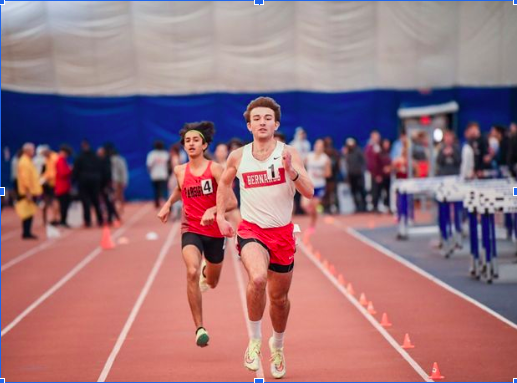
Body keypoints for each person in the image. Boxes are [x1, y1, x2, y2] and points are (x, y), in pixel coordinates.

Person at [216, 96, 314, 379]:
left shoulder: (289, 152)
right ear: (249, 125)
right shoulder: (238, 156)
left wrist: (291, 171)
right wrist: (221, 215)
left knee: (279, 298)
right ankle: (255, 340)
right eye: (256, 118)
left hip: (282, 234)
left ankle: (278, 346)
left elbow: (309, 192)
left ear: (276, 124)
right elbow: (224, 183)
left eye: (267, 118)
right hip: (252, 231)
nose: (262, 122)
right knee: (257, 279)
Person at [157, 121, 237, 348]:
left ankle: (207, 271)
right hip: (191, 228)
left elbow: (231, 201)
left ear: (204, 145)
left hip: (214, 233)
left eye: (195, 140)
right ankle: (200, 328)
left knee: (212, 282)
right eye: (187, 141)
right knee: (190, 271)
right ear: (184, 146)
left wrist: (214, 210)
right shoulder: (180, 171)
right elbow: (179, 189)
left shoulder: (215, 169)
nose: (191, 144)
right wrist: (167, 204)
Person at [73, 140, 104, 227]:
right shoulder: (95, 156)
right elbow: (100, 169)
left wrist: (73, 182)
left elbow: (76, 171)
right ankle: (100, 220)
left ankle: (88, 221)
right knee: (96, 201)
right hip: (95, 181)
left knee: (85, 202)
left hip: (84, 182)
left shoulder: (79, 157)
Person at [302, 139, 331, 233]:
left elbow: (328, 173)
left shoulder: (325, 158)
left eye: (320, 146)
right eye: (317, 145)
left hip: (319, 185)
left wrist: (319, 174)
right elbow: (301, 165)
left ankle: (312, 224)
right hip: (309, 184)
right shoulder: (309, 156)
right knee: (304, 205)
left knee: (314, 207)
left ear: (323, 147)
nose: (318, 147)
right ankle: (314, 213)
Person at [16, 143, 43, 239]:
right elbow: (25, 178)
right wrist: (27, 191)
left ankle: (27, 231)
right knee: (27, 212)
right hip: (25, 191)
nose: (34, 152)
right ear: (26, 151)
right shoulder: (24, 162)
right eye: (32, 150)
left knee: (30, 212)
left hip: (29, 190)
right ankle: (26, 232)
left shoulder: (27, 161)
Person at [147, 140, 169, 208]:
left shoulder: (152, 154)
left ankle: (157, 204)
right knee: (164, 190)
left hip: (155, 175)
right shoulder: (165, 154)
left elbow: (149, 165)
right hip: (164, 175)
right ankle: (167, 204)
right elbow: (169, 165)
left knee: (156, 190)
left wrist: (150, 172)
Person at [55, 145, 73, 227]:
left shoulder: (61, 160)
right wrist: (70, 169)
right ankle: (63, 221)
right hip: (62, 186)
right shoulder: (60, 160)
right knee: (63, 205)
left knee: (64, 205)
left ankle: (63, 221)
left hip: (63, 186)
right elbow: (63, 173)